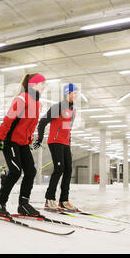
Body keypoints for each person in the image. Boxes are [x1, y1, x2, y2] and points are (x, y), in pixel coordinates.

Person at [0, 73, 46, 217]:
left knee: (30, 171)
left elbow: (31, 124)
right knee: (15, 171)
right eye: (42, 83)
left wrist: (29, 139)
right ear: (33, 84)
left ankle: (23, 205)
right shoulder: (22, 98)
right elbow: (9, 119)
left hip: (22, 142)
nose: (44, 86)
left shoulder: (38, 103)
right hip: (11, 140)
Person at [34, 83, 79, 211]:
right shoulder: (58, 107)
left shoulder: (73, 110)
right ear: (66, 93)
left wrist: (68, 143)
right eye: (73, 93)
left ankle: (64, 200)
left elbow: (68, 129)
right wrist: (40, 138)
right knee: (59, 169)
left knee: (68, 170)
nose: (75, 95)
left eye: (76, 93)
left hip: (65, 143)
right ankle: (49, 199)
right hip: (55, 141)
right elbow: (42, 122)